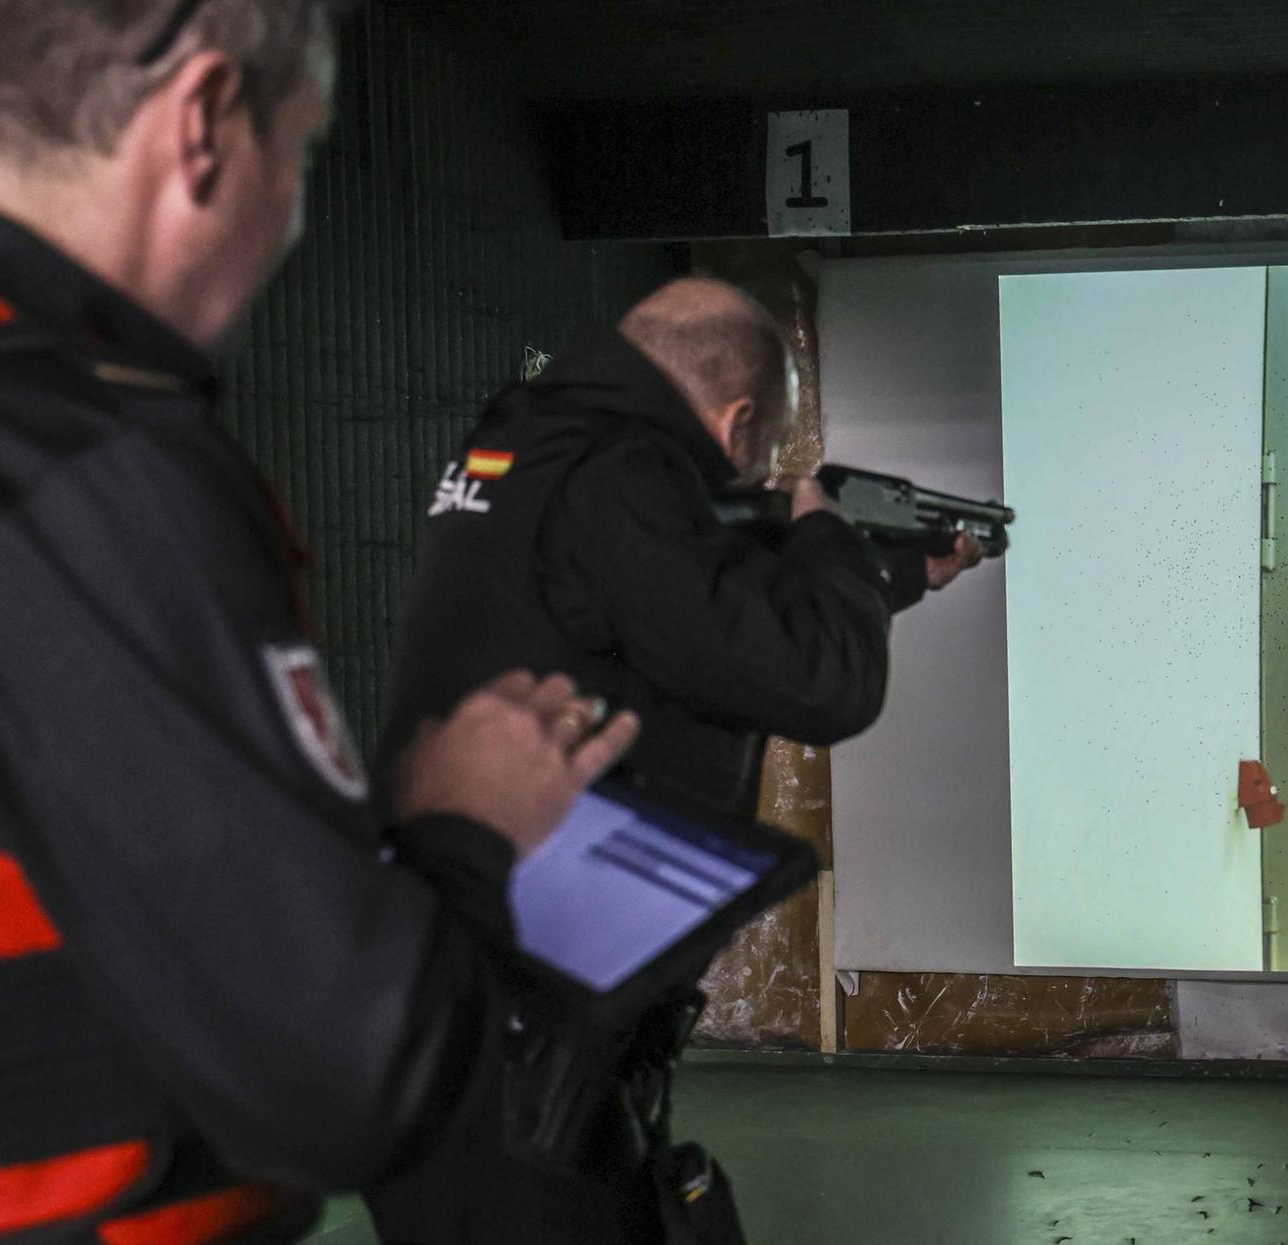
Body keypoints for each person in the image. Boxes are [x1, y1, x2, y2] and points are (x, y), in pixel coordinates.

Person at [0, 3, 640, 1241]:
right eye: (307, 155)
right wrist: (462, 829)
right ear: (204, 123)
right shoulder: (77, 460)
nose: (293, 214)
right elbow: (344, 1074)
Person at [364, 275, 986, 1243]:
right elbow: (819, 685)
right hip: (523, 1009)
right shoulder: (620, 475)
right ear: (739, 422)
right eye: (762, 458)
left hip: (477, 976)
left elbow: (703, 630)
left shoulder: (536, 446)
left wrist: (887, 572)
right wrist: (825, 531)